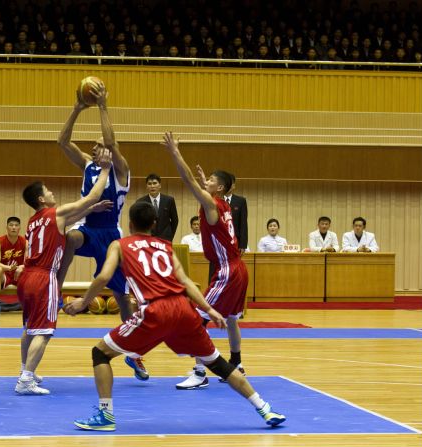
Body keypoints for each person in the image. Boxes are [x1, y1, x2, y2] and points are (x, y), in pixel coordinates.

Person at [63, 201, 285, 431]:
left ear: (129, 224)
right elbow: (186, 282)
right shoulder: (166, 246)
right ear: (154, 224)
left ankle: (105, 415)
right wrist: (209, 309)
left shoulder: (119, 245)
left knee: (100, 353)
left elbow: (103, 277)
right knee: (218, 364)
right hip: (183, 309)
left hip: (155, 311)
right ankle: (265, 408)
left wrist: (83, 302)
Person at [56, 79, 151, 381]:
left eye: (100, 143)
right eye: (96, 145)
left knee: (123, 298)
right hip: (89, 229)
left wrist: (103, 107)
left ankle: (134, 355)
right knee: (68, 237)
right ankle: (55, 290)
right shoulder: (87, 164)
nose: (96, 147)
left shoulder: (121, 170)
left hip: (112, 236)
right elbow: (61, 141)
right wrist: (76, 109)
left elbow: (112, 143)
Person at [16, 149, 114, 395]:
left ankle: (24, 370)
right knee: (45, 331)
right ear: (41, 199)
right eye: (47, 190)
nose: (52, 192)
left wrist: (91, 211)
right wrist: (105, 169)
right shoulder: (55, 212)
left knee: (29, 328)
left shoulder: (34, 220)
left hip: (26, 277)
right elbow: (92, 196)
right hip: (43, 277)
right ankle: (26, 380)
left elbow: (70, 219)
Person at [161, 131, 249, 389]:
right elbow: (202, 188)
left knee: (195, 319)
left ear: (219, 188)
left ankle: (200, 372)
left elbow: (187, 180)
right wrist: (206, 184)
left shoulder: (212, 204)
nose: (205, 181)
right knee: (231, 317)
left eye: (210, 179)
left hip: (227, 271)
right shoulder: (221, 203)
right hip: (238, 268)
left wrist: (175, 152)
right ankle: (237, 362)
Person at [0, 216, 27, 317]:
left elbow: (27, 262)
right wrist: (9, 268)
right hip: (5, 274)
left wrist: (21, 267)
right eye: (11, 225)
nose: (13, 227)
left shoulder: (25, 242)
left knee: (32, 273)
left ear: (19, 228)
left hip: (18, 274)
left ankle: (31, 305)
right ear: (7, 227)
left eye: (16, 225)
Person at [135, 174, 178, 242]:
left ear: (160, 185)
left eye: (154, 183)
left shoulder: (169, 200)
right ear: (146, 186)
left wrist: (170, 236)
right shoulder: (140, 202)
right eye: (149, 184)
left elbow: (175, 220)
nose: (152, 186)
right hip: (147, 239)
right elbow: (137, 222)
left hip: (165, 239)